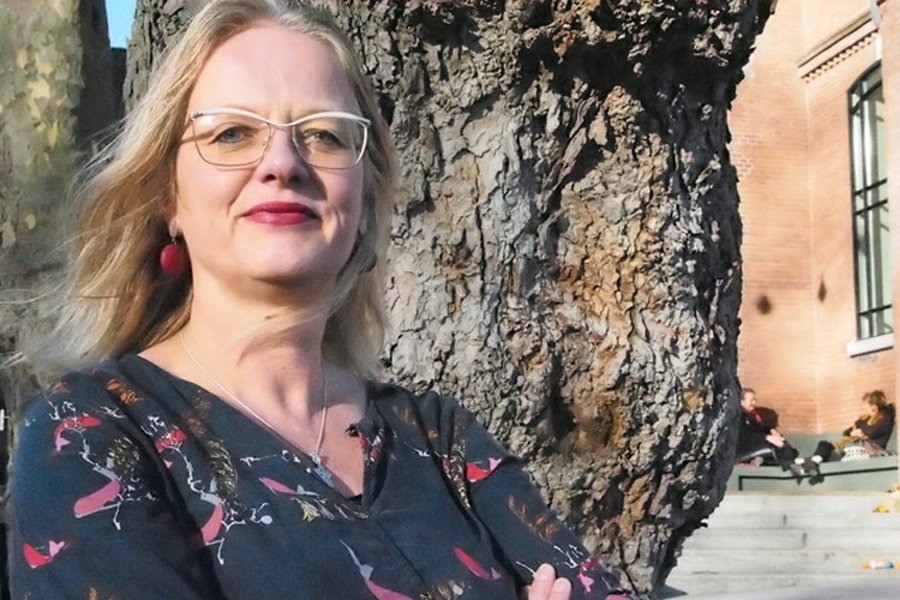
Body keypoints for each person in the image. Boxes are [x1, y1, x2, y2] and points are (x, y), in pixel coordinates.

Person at [5, 2, 633, 599]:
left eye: (325, 135)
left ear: (363, 199)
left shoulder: (439, 439)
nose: (282, 163)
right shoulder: (93, 434)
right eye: (231, 133)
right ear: (167, 197)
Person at [796, 390, 896, 471]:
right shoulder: (866, 419)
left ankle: (806, 462)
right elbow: (846, 432)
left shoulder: (885, 419)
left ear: (874, 406)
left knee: (827, 453)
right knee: (824, 444)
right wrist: (853, 432)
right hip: (852, 448)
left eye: (866, 405)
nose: (864, 408)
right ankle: (813, 462)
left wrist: (861, 427)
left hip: (868, 451)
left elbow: (872, 432)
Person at [735, 388, 799, 470]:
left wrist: (772, 431)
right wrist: (767, 437)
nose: (754, 403)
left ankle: (790, 459)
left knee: (783, 445)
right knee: (773, 447)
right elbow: (744, 435)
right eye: (751, 400)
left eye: (754, 400)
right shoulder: (738, 416)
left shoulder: (752, 414)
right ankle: (790, 464)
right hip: (741, 449)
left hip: (756, 443)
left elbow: (761, 427)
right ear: (742, 402)